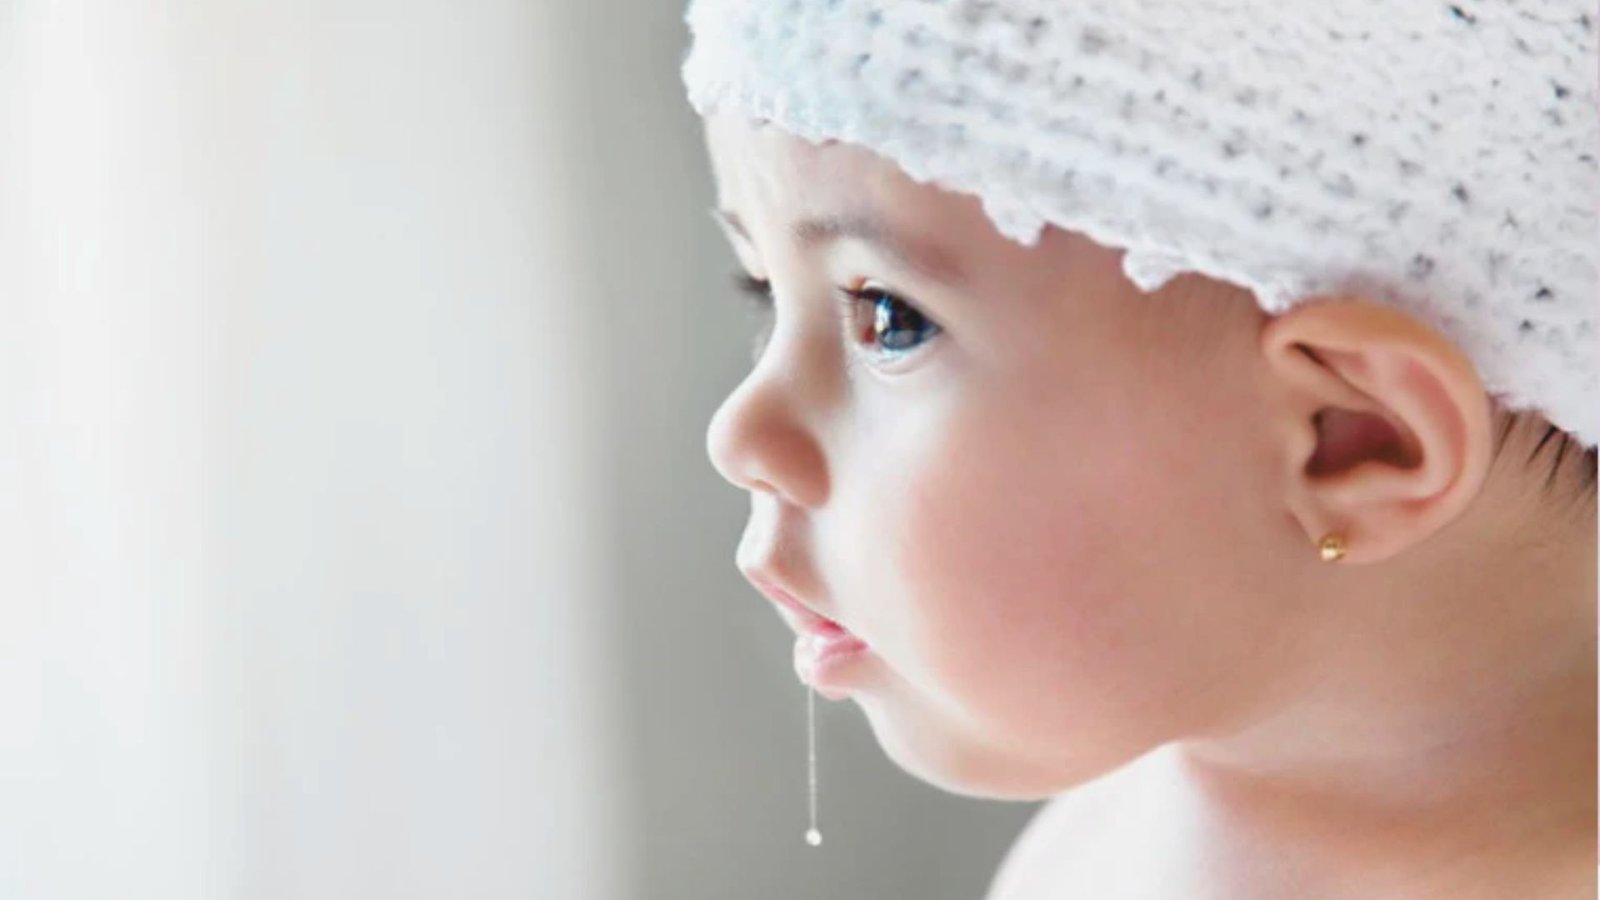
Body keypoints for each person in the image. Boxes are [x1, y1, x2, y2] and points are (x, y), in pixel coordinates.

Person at [684, 2, 1598, 896]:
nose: (740, 434)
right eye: (762, 288)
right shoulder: (1121, 825)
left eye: (889, 317)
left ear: (1353, 444)